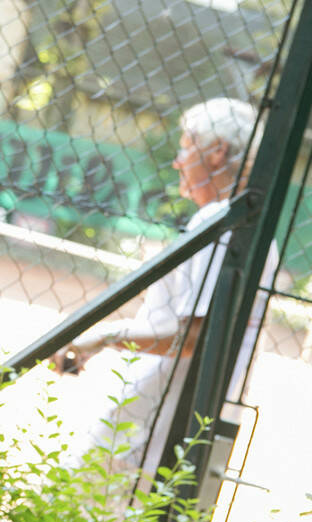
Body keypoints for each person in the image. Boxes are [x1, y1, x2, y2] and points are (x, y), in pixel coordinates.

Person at [52, 97, 277, 480]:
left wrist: (103, 337)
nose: (178, 161)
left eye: (186, 147)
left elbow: (190, 338)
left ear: (217, 152)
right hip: (190, 414)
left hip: (158, 413)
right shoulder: (247, 228)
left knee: (63, 506)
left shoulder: (218, 221)